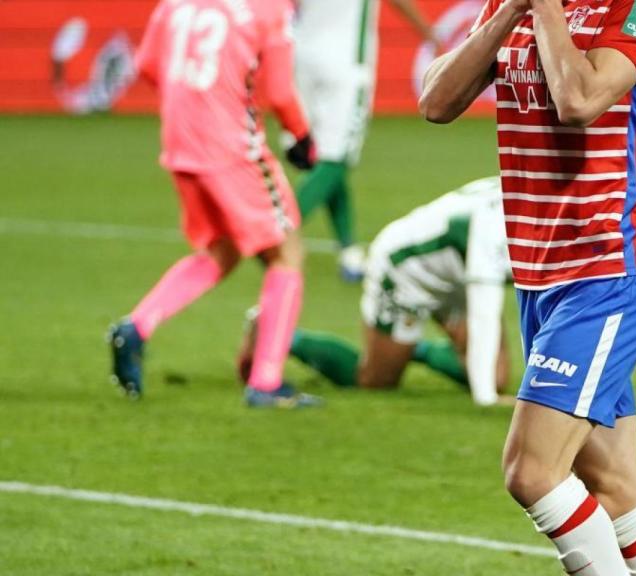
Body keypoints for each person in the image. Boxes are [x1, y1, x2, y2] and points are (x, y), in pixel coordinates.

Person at [419, 0, 636, 574]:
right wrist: (510, 13)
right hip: (540, 278)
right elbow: (436, 101)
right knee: (616, 486)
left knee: (533, 472)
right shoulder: (513, 5)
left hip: (606, 275)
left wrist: (542, 8)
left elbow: (580, 101)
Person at [108, 0, 319, 408]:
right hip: (231, 147)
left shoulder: (176, 4)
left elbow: (149, 65)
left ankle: (136, 326)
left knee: (221, 250)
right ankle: (266, 383)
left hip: (180, 141)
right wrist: (302, 136)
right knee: (288, 253)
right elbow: (278, 91)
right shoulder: (270, 8)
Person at [238, 177, 512, 406]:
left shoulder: (530, 196)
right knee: (374, 380)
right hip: (405, 271)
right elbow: (484, 314)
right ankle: (275, 332)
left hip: (458, 274)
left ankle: (410, 348)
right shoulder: (495, 229)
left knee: (496, 376)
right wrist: (486, 399)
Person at [291, 0, 438, 281]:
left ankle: (348, 250)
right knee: (336, 158)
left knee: (321, 155)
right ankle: (281, 228)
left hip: (302, 55)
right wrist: (428, 32)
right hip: (345, 61)